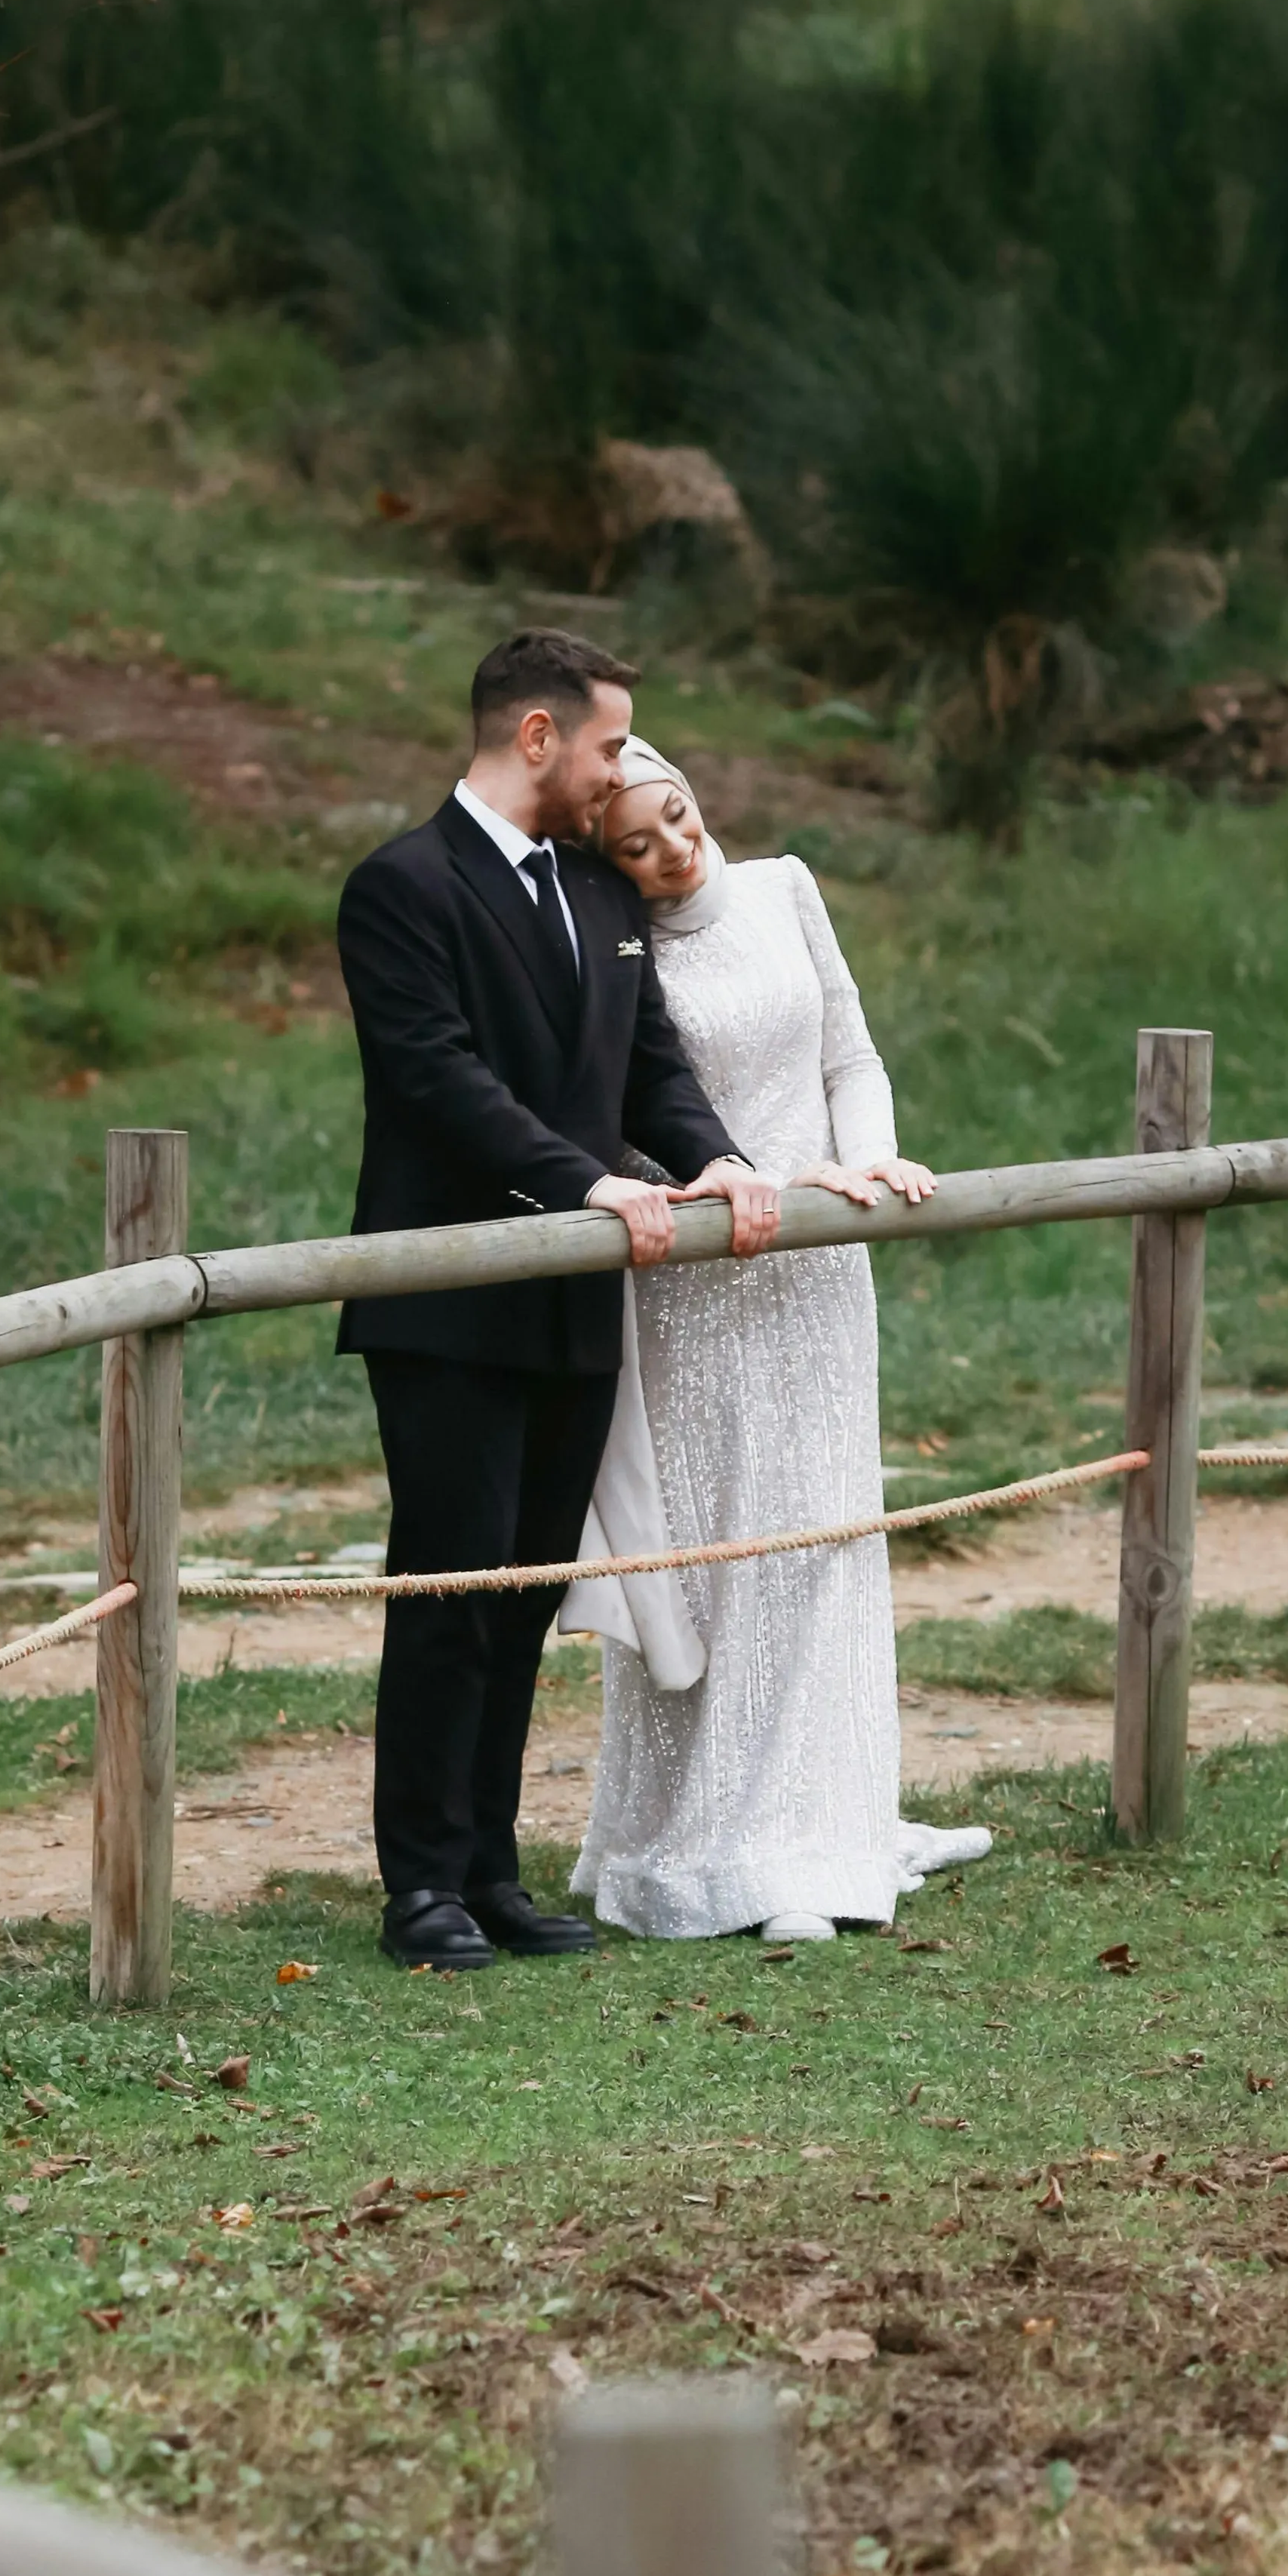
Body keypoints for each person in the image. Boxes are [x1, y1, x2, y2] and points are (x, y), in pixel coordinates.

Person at [334, 631, 779, 1972]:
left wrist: (717, 1164)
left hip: (585, 1299)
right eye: (604, 744)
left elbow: (651, 1068)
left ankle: (491, 1869)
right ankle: (419, 1888)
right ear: (536, 735)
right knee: (449, 1589)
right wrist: (582, 1183)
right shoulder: (400, 889)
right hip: (448, 1302)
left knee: (526, 1593)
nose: (619, 768)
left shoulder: (601, 896)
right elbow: (435, 1075)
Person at [563, 743, 994, 1945]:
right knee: (721, 1546)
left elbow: (847, 1052)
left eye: (679, 820)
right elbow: (626, 1099)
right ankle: (722, 1848)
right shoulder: (612, 939)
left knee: (826, 1528)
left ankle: (841, 1817)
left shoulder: (785, 885)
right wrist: (729, 1181)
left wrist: (863, 1157)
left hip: (819, 1255)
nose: (672, 853)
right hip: (705, 1264)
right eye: (636, 846)